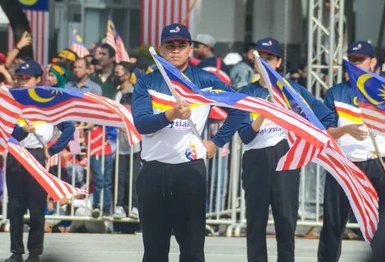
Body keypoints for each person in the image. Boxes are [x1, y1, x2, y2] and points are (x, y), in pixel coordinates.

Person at [131, 23, 247, 262]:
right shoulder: (147, 82)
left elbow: (240, 109)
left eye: (181, 45)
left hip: (189, 172)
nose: (176, 51)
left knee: (193, 250)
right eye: (170, 46)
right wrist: (170, 115)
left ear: (190, 49)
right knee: (154, 251)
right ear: (161, 49)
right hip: (153, 172)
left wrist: (216, 142)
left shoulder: (206, 80)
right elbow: (141, 124)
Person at [239, 37, 335, 262]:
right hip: (256, 161)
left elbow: (326, 116)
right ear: (254, 62)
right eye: (259, 58)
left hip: (286, 161)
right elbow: (245, 134)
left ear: (279, 62)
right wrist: (264, 112)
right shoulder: (246, 93)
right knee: (255, 225)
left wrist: (305, 131)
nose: (263, 62)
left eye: (269, 58)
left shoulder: (294, 91)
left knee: (285, 223)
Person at [318, 41, 385, 262]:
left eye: (360, 59)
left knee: (382, 224)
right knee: (332, 225)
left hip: (374, 165)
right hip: (342, 166)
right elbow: (326, 131)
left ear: (373, 62)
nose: (356, 64)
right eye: (352, 60)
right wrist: (345, 130)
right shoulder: (335, 92)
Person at [6, 60, 75, 262]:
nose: (23, 82)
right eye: (20, 78)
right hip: (17, 153)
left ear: (38, 79)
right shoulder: (12, 100)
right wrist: (21, 131)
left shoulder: (48, 102)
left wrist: (53, 149)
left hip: (37, 154)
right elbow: (5, 131)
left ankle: (35, 253)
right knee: (16, 207)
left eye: (27, 78)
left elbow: (68, 127)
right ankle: (16, 252)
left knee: (37, 208)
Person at [112, 63, 140, 220]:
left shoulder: (135, 93)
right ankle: (120, 207)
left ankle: (135, 206)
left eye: (119, 72)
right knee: (120, 177)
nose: (116, 75)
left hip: (135, 145)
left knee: (135, 176)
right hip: (120, 146)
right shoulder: (117, 94)